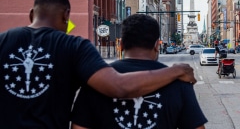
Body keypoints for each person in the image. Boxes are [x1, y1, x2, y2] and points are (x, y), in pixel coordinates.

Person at [0, 0, 196, 129]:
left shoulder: (3, 41)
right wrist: (176, 70)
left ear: (31, 14)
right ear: (66, 16)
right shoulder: (74, 47)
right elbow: (119, 86)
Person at [71, 14, 207, 129]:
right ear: (156, 45)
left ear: (121, 45)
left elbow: (78, 127)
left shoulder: (97, 81)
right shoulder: (179, 82)